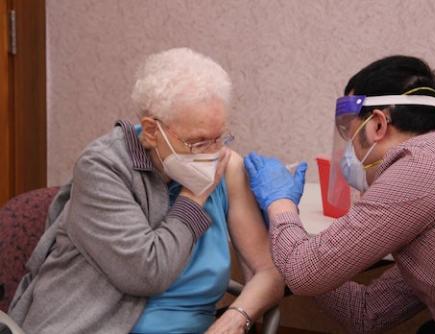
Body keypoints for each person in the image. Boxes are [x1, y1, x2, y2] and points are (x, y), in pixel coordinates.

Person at [4, 48, 284, 334]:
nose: (213, 154)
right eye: (198, 143)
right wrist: (193, 197)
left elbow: (270, 272)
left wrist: (236, 317)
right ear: (152, 132)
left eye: (219, 137)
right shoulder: (104, 167)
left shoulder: (228, 168)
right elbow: (148, 273)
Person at [244, 55, 435, 333]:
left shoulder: (417, 171)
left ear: (378, 124)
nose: (350, 149)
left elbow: (303, 274)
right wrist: (294, 245)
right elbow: (367, 312)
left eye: (350, 131)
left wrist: (279, 204)